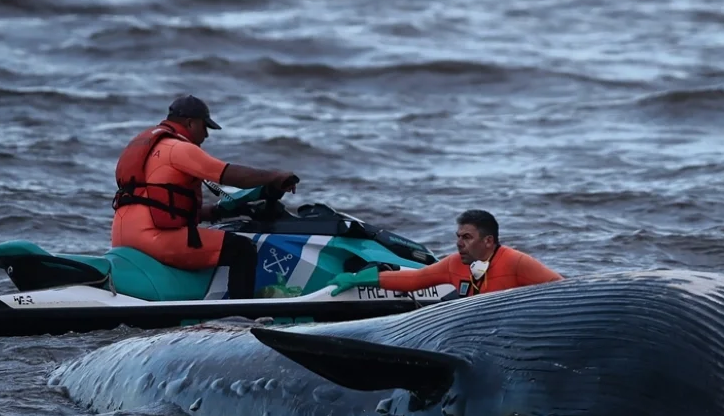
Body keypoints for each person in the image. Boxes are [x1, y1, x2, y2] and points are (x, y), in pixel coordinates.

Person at [110, 94, 299, 299]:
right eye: (205, 127)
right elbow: (232, 175)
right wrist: (275, 176)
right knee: (241, 249)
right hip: (153, 237)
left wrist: (217, 212)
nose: (206, 135)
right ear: (191, 123)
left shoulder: (146, 145)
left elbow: (161, 204)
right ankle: (241, 314)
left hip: (122, 237)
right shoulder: (179, 148)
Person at [328, 209, 563, 298]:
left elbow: (563, 290)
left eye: (467, 237)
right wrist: (358, 279)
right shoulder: (453, 264)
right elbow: (414, 280)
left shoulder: (516, 262)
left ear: (489, 241)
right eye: (458, 236)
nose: (459, 243)